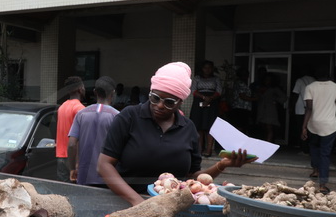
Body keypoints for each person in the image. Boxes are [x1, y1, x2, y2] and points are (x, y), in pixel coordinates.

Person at [98, 62, 254, 206]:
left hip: (174, 207)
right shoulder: (129, 117)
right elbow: (104, 165)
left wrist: (221, 165)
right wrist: (137, 201)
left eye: (169, 102)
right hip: (127, 203)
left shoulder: (188, 128)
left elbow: (193, 178)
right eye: (155, 98)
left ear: (180, 101)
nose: (159, 105)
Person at [67, 76, 119, 187]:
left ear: (95, 92)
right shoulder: (117, 116)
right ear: (113, 93)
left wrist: (72, 168)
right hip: (108, 177)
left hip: (83, 176)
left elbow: (71, 144)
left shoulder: (81, 114)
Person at [301, 66, 336, 193]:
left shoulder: (310, 87)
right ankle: (322, 184)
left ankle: (315, 170)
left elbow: (308, 109)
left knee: (314, 147)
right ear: (329, 75)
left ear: (315, 76)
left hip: (313, 124)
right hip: (330, 125)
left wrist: (304, 126)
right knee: (325, 153)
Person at [189, 60, 223, 156]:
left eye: (209, 68)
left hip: (212, 103)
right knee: (199, 125)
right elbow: (193, 90)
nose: (207, 70)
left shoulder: (216, 79)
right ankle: (199, 149)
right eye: (205, 67)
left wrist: (210, 98)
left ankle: (209, 150)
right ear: (202, 69)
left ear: (212, 69)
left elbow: (219, 91)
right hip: (199, 102)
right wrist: (204, 98)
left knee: (210, 126)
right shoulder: (197, 78)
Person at [55, 76, 85, 182]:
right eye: (83, 86)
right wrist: (77, 163)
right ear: (80, 89)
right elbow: (79, 139)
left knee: (62, 193)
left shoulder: (62, 107)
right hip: (73, 158)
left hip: (60, 156)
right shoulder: (80, 109)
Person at [256, 73, 287, 144]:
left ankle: (268, 144)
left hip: (270, 110)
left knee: (269, 127)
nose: (267, 81)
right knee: (264, 127)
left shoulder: (274, 89)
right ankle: (266, 142)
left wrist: (275, 99)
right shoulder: (260, 88)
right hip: (261, 109)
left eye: (269, 80)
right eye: (266, 80)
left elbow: (284, 97)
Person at [292, 70, 315, 153]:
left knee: (301, 129)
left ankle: (304, 149)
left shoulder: (299, 80)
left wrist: (291, 106)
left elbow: (295, 94)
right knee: (310, 130)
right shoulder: (314, 81)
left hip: (300, 109)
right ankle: (310, 149)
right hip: (312, 109)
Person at [227, 67, 254, 134]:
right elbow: (242, 96)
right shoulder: (240, 83)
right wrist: (255, 99)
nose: (247, 76)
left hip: (241, 108)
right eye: (245, 74)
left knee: (241, 126)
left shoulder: (239, 83)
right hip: (240, 108)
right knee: (240, 127)